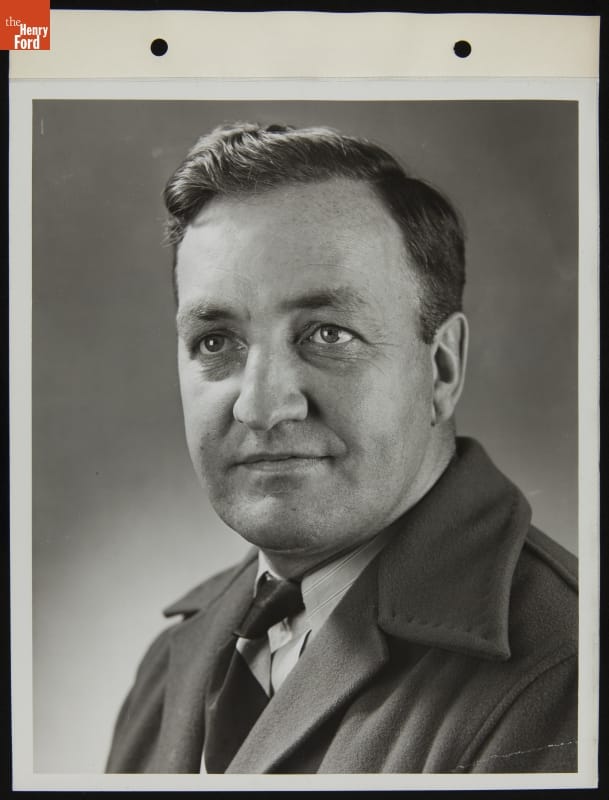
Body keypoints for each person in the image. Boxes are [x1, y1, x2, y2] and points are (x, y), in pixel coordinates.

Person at [105, 122, 578, 774]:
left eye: (327, 334)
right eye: (216, 341)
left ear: (440, 368)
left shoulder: (565, 675)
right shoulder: (167, 670)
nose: (260, 407)